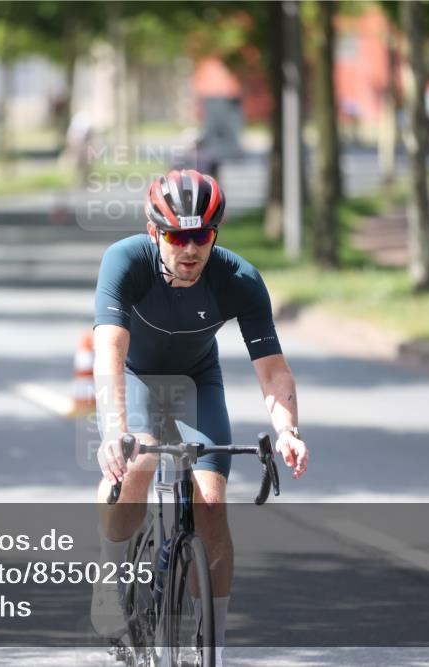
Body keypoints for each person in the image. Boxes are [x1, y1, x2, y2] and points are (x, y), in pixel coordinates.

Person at [91, 169, 309, 666]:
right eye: (177, 236)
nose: (190, 249)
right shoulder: (124, 262)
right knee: (139, 463)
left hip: (196, 380)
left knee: (211, 500)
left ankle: (213, 642)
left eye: (202, 236)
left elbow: (273, 371)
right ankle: (110, 580)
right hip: (136, 376)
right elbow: (109, 352)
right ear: (155, 233)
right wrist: (114, 431)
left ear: (215, 234)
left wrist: (287, 430)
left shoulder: (239, 280)